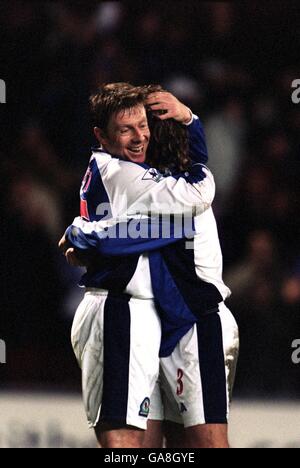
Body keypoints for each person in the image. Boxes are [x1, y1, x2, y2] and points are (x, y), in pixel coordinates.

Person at [61, 84, 239, 448]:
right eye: (128, 129)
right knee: (134, 443)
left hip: (195, 323)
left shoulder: (171, 198)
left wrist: (83, 233)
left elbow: (145, 230)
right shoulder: (139, 181)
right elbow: (154, 221)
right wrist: (191, 124)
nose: (141, 137)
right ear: (102, 135)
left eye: (145, 127)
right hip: (136, 316)